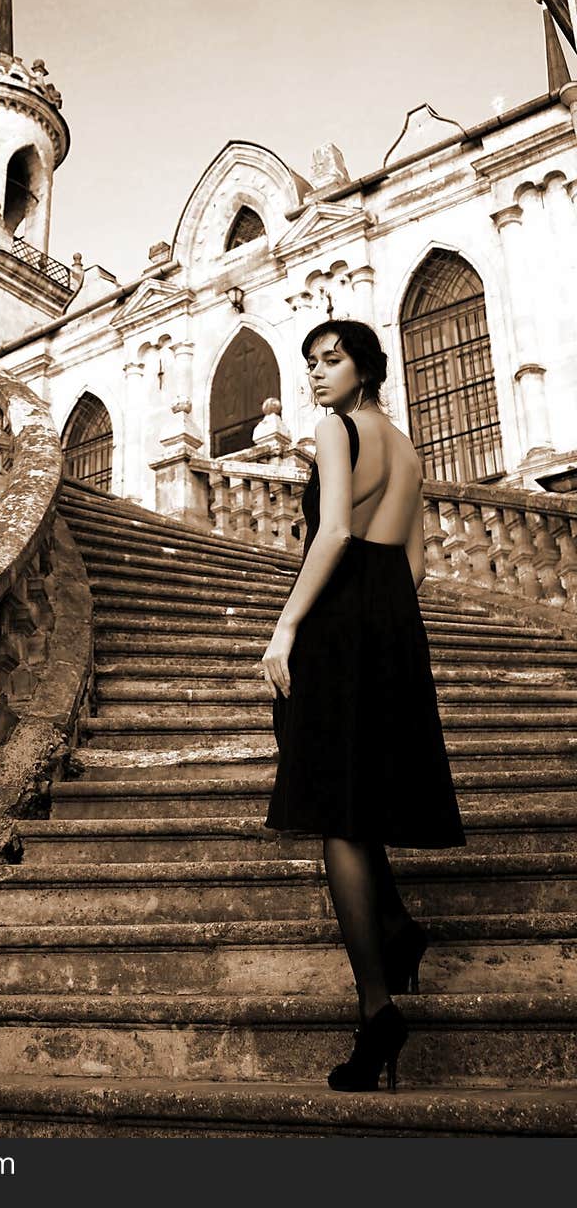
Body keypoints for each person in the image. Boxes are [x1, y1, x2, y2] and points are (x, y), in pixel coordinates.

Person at [260, 318, 466, 1093]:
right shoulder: (407, 448)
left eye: (331, 360)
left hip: (341, 616)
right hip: (392, 619)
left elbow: (335, 530)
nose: (316, 374)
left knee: (336, 813)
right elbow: (414, 562)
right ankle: (400, 928)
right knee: (358, 793)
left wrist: (288, 626)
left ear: (365, 367)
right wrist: (384, 621)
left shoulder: (335, 429)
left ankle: (378, 1009)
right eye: (310, 362)